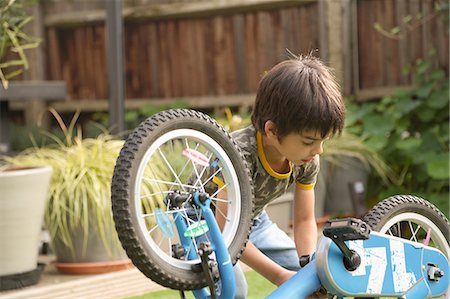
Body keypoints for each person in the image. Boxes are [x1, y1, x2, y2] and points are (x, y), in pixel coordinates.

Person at [229, 53, 346, 298]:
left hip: (253, 221)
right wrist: (280, 276)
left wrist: (307, 265)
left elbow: (304, 220)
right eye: (309, 141)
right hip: (207, 227)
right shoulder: (237, 154)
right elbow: (225, 233)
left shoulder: (307, 160)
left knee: (313, 276)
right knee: (235, 289)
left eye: (322, 141)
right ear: (272, 130)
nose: (318, 150)